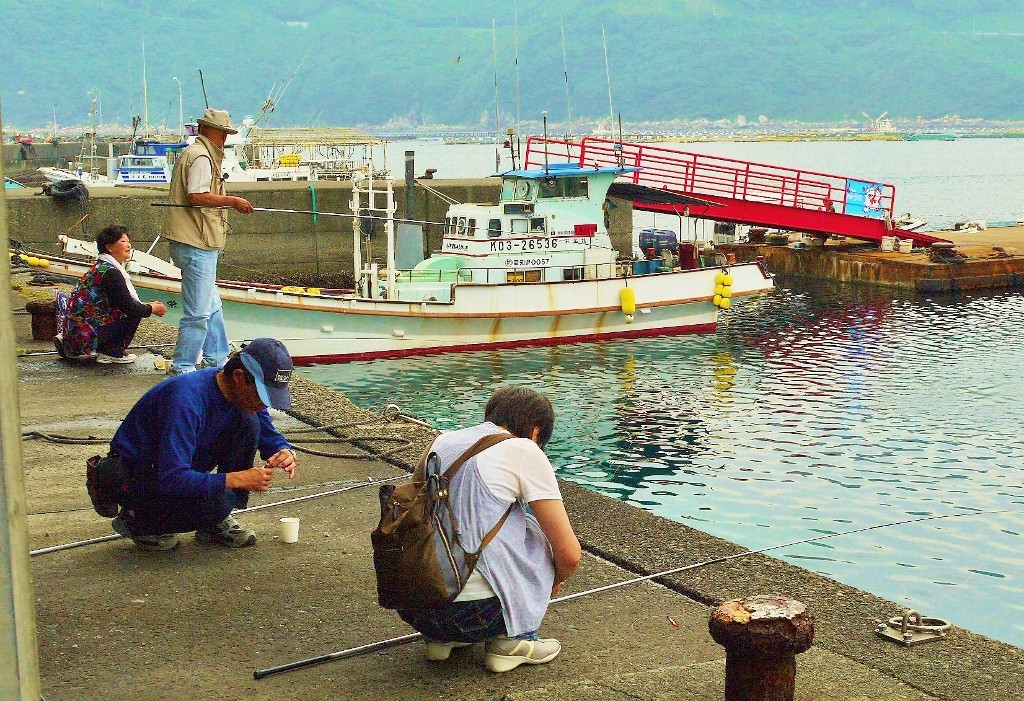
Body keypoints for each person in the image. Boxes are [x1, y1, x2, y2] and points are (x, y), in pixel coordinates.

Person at [397, 385, 582, 673]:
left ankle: (441, 641)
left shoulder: (442, 442)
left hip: (416, 606)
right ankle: (513, 640)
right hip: (476, 614)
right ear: (536, 432)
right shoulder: (522, 449)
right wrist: (551, 578)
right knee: (534, 535)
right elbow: (570, 554)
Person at [105, 337, 297, 550]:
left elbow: (267, 431)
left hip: (168, 465)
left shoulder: (236, 392)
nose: (264, 404)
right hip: (137, 476)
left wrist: (282, 449)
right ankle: (137, 519)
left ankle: (215, 518)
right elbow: (172, 477)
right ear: (239, 376)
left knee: (248, 422)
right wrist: (237, 479)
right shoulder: (186, 401)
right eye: (262, 396)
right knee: (220, 499)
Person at [161, 107, 254, 375]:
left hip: (192, 242)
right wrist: (233, 201)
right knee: (199, 312)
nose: (225, 138)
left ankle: (217, 359)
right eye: (224, 133)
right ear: (212, 131)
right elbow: (197, 195)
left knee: (212, 306)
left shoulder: (195, 153)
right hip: (196, 243)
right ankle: (184, 365)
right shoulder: (201, 156)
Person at [56, 224, 168, 363]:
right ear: (109, 247)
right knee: (134, 312)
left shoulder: (100, 267)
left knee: (135, 307)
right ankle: (111, 351)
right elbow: (130, 308)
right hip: (88, 334)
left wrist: (147, 306)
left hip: (76, 330)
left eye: (128, 241)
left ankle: (75, 343)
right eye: (123, 241)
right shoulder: (111, 273)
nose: (128, 245)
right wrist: (152, 308)